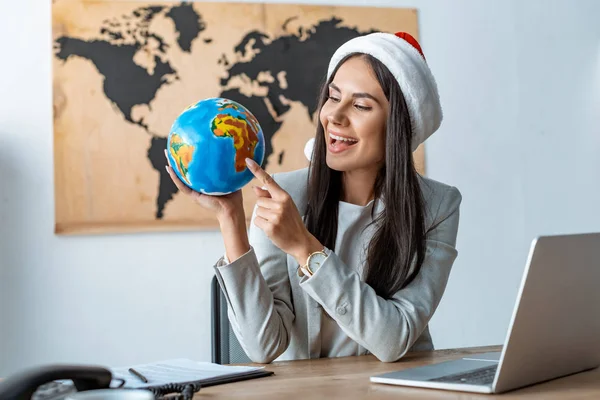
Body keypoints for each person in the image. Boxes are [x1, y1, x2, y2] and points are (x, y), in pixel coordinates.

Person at [165, 31, 462, 363]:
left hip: (397, 388)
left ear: (399, 127)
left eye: (361, 105)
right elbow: (263, 346)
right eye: (333, 97)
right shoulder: (285, 195)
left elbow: (394, 339)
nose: (334, 116)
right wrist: (230, 217)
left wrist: (304, 248)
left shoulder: (438, 206)